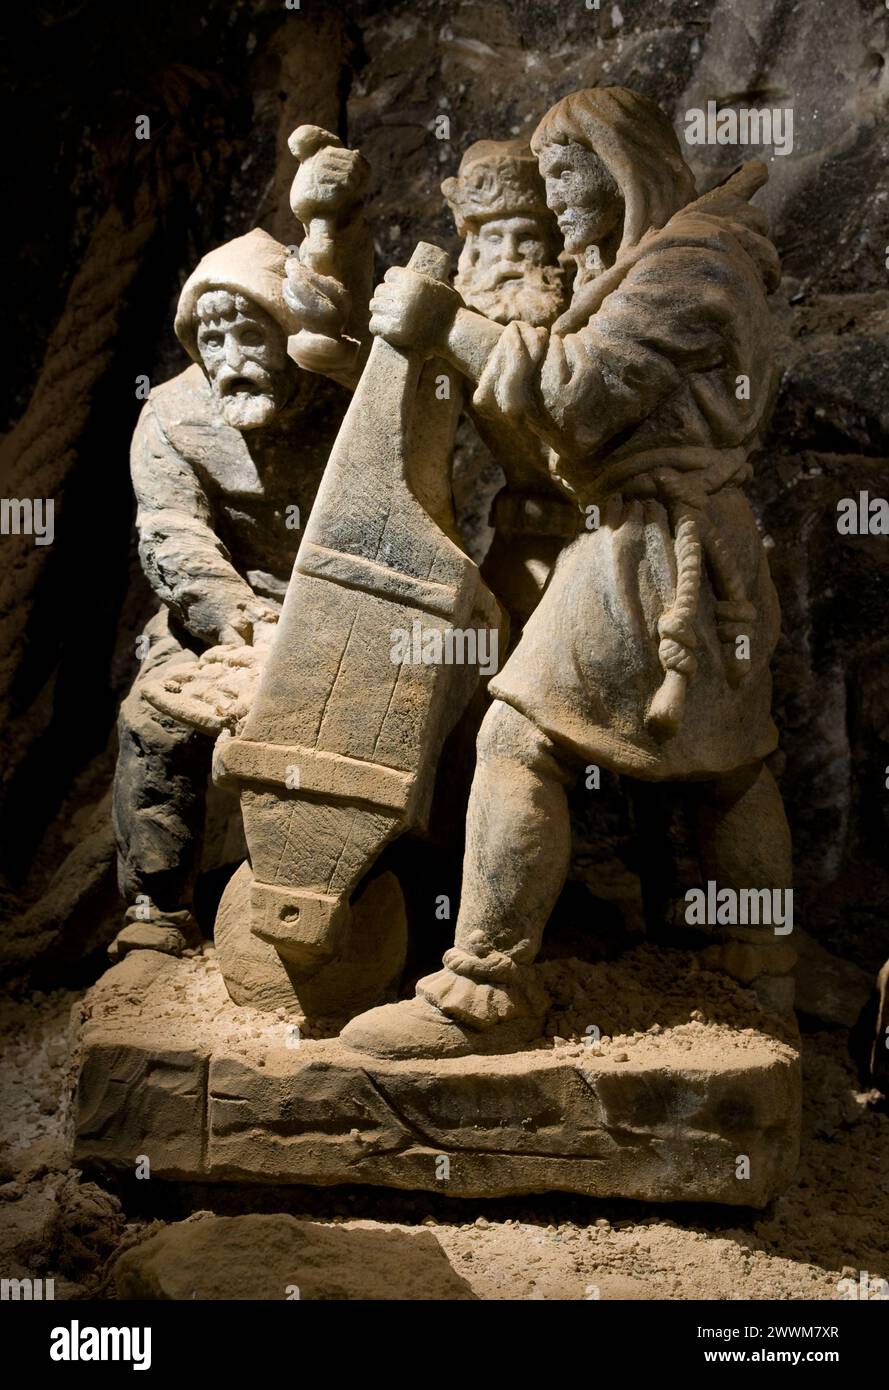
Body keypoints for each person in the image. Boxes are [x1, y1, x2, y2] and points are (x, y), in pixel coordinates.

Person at [341, 86, 793, 1058]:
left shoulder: (686, 267)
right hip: (701, 542)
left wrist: (443, 325)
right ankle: (762, 964)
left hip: (641, 543)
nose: (552, 201)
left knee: (518, 736)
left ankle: (484, 986)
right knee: (729, 765)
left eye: (563, 171)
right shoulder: (679, 260)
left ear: (616, 160)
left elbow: (579, 396)